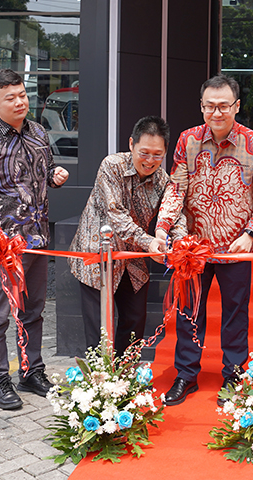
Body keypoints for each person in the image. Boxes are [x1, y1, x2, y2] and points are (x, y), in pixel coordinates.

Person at [154, 74, 253, 406]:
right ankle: (186, 374)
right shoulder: (187, 140)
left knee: (236, 313)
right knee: (188, 311)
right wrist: (163, 230)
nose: (216, 112)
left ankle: (234, 375)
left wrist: (251, 233)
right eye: (210, 106)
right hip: (193, 249)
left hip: (237, 248)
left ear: (236, 107)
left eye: (224, 106)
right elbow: (176, 189)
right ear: (202, 106)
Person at [0, 69, 70, 410]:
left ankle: (31, 370)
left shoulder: (38, 132)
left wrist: (55, 176)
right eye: (11, 97)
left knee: (33, 310)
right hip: (3, 246)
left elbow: (44, 173)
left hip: (37, 239)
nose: (20, 102)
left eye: (22, 95)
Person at [68, 116, 186, 354]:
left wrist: (179, 241)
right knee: (99, 327)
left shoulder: (162, 179)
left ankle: (125, 378)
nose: (150, 161)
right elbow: (116, 215)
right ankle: (100, 383)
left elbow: (175, 212)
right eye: (144, 152)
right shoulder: (111, 165)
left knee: (134, 321)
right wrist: (150, 241)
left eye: (157, 154)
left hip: (133, 260)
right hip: (97, 256)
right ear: (131, 144)